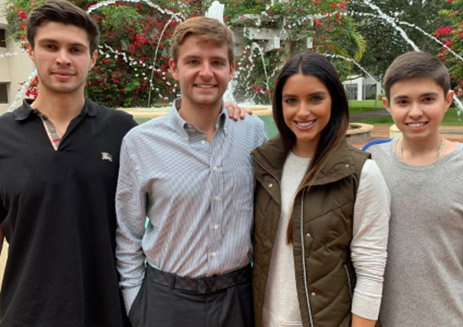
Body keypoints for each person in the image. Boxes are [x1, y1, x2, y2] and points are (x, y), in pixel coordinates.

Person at [115, 16, 268, 327]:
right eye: (193, 61)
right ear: (174, 68)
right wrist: (137, 306)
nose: (206, 72)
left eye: (217, 62)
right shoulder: (140, 142)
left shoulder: (252, 132)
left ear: (231, 70)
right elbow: (128, 233)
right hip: (165, 300)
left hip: (237, 297)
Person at [0, 1, 137, 325]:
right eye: (50, 46)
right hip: (25, 315)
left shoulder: (123, 131)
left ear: (92, 58)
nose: (63, 58)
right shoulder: (2, 136)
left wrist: (223, 113)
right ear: (31, 50)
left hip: (107, 314)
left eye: (75, 49)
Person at [251, 51, 390, 327]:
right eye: (291, 101)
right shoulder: (264, 165)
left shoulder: (361, 173)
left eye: (315, 98)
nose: (303, 112)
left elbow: (371, 271)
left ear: (334, 100)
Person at [362, 51, 463, 326]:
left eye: (427, 99)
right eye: (403, 101)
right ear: (388, 105)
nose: (415, 111)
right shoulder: (371, 158)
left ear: (448, 100)